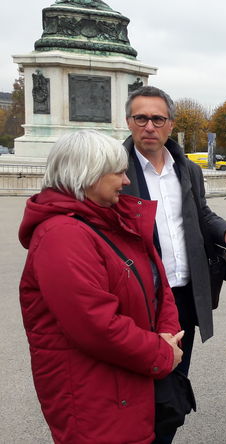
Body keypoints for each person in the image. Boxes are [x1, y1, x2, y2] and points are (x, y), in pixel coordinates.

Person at [18, 130, 183, 443]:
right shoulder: (62, 235)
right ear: (87, 175)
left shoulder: (111, 219)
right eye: (118, 172)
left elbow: (158, 286)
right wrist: (162, 353)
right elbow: (95, 325)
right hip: (94, 392)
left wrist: (167, 332)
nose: (126, 181)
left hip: (125, 382)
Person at [121, 85, 226, 442]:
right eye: (141, 118)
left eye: (157, 119)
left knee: (174, 382)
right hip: (140, 297)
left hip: (184, 297)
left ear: (170, 124)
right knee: (136, 386)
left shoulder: (188, 170)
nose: (149, 126)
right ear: (129, 121)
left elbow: (201, 213)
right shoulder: (115, 168)